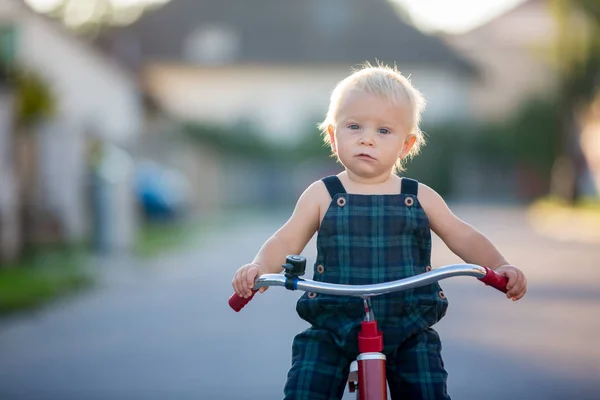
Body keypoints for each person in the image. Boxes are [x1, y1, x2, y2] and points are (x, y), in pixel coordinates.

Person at [231, 62, 528, 400]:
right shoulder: (322, 194)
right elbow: (286, 239)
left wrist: (498, 266)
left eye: (383, 131)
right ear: (333, 134)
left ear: (406, 144)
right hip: (334, 321)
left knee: (427, 388)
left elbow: (462, 234)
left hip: (407, 322)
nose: (367, 139)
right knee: (305, 386)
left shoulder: (418, 196)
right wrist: (259, 267)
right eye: (354, 126)